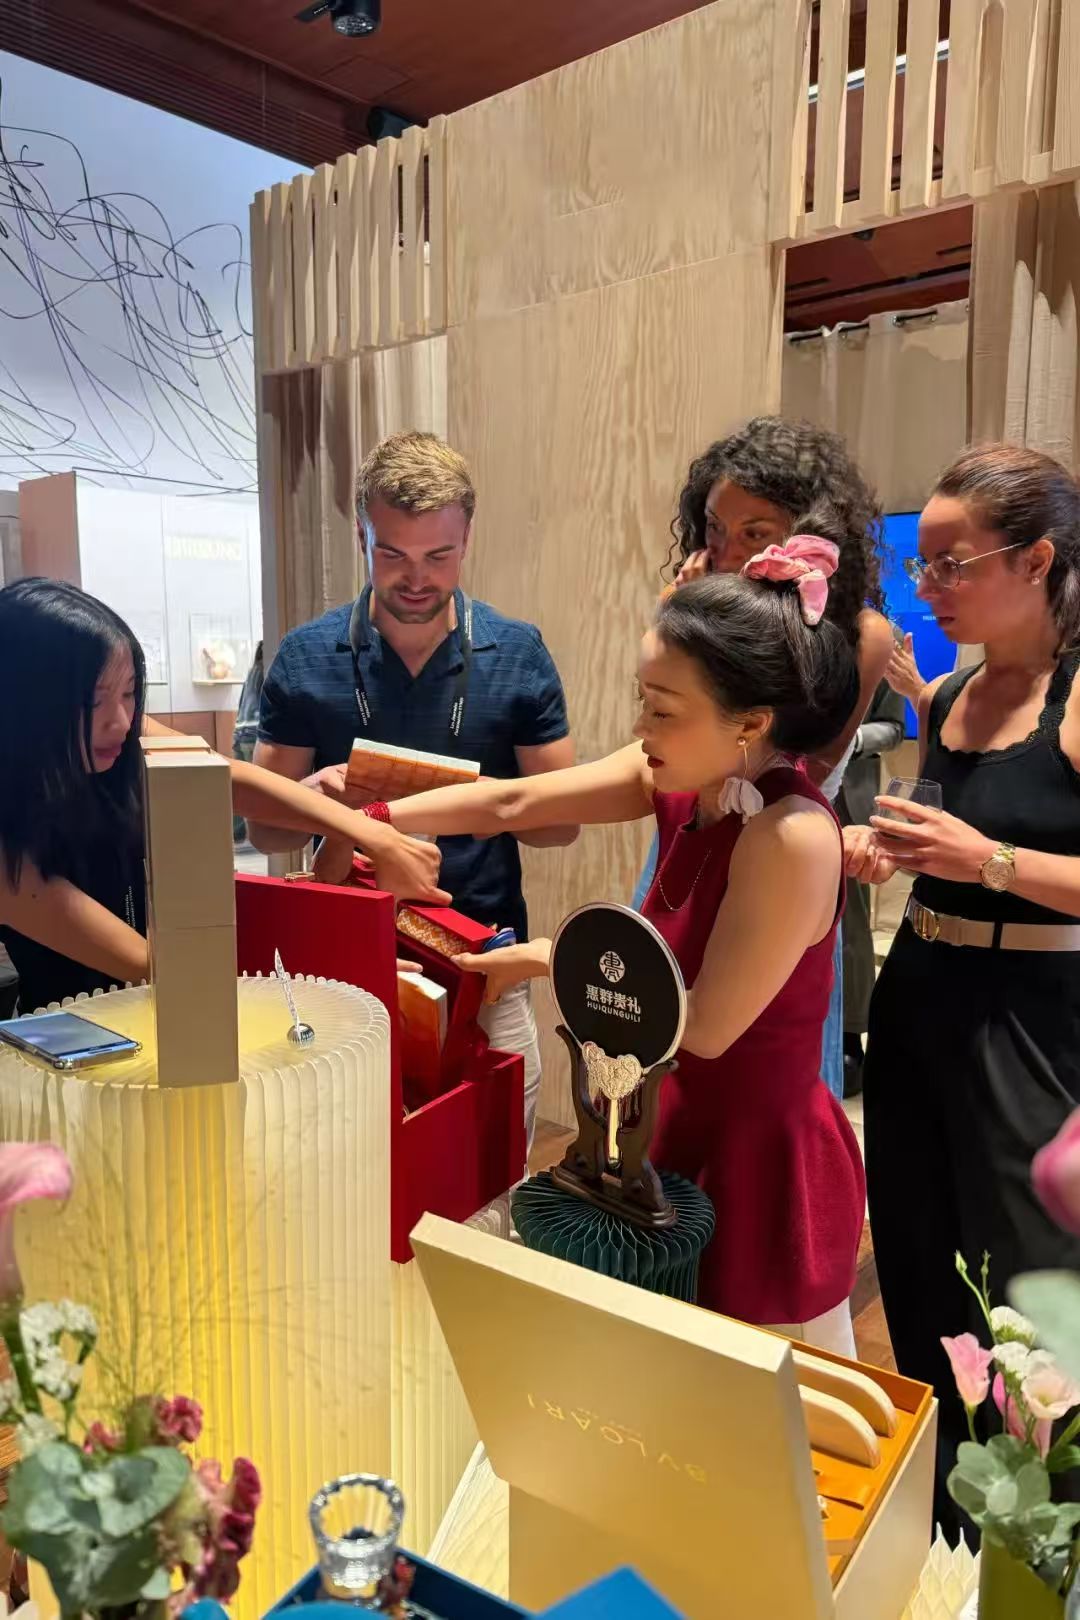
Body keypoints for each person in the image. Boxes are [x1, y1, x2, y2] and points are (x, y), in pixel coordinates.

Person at [362, 537, 867, 1351]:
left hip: (753, 1158)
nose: (640, 727)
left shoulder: (791, 836)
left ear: (752, 723)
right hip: (660, 1120)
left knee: (760, 1398)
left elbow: (706, 1026)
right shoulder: (681, 777)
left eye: (663, 709)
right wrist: (375, 820)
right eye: (643, 699)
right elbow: (515, 802)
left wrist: (547, 957)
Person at [845, 445, 1080, 1535]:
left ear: (1037, 560)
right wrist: (890, 851)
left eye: (953, 564)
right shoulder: (946, 698)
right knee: (921, 1257)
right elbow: (943, 851)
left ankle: (1041, 1540)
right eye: (923, 566)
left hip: (1035, 1021)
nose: (929, 587)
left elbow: (992, 858)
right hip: (923, 995)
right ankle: (945, 1534)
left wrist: (985, 860)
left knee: (1030, 1287)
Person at [248, 432, 577, 1151]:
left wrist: (484, 804)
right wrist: (315, 794)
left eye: (439, 556)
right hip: (344, 970)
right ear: (362, 536)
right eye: (392, 554)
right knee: (345, 1170)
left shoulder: (517, 653)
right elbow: (267, 831)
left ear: (468, 539)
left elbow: (561, 825)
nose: (417, 579)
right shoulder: (307, 656)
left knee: (490, 1173)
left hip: (484, 963)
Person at [0, 578, 448, 1013]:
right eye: (92, 702)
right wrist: (338, 965)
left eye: (130, 693)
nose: (120, 720)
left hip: (160, 1014)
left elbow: (223, 778)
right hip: (72, 1042)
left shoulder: (124, 738)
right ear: (26, 704)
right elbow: (150, 964)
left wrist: (371, 833)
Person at [634, 418, 893, 1100]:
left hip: (776, 846)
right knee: (652, 1026)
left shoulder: (860, 636)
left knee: (754, 1058)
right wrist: (687, 618)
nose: (725, 553)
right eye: (714, 529)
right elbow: (675, 716)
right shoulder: (695, 604)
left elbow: (805, 765)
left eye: (754, 533)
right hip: (695, 823)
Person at [834, 676, 905, 1097]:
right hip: (784, 786)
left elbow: (894, 729)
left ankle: (849, 1034)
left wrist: (852, 740)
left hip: (849, 796)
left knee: (851, 921)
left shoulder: (884, 646)